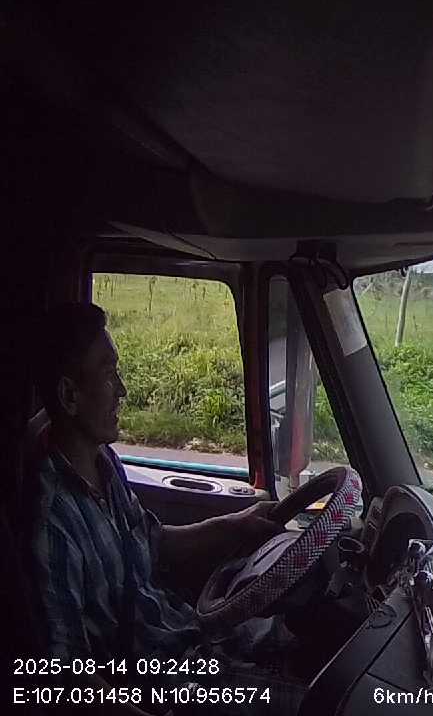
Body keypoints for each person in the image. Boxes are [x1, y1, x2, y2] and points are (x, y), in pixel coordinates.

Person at [24, 303, 300, 714]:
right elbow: (66, 672)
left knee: (302, 639)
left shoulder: (103, 463)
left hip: (186, 635)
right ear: (69, 395)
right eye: (108, 374)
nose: (122, 390)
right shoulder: (53, 521)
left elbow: (152, 542)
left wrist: (236, 524)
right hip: (160, 680)